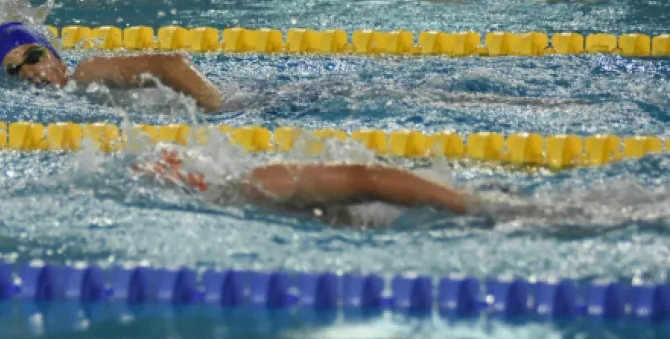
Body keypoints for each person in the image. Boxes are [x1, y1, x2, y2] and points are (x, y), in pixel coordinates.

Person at [133, 147, 470, 227]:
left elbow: (369, 178)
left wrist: (470, 207)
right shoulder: (244, 205)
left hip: (457, 210)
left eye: (169, 168)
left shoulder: (263, 183)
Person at [0, 22, 225, 112]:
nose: (29, 72)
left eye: (34, 56)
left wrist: (218, 109)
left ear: (55, 56)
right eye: (14, 70)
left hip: (242, 103)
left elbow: (171, 63)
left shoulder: (87, 72)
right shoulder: (66, 101)